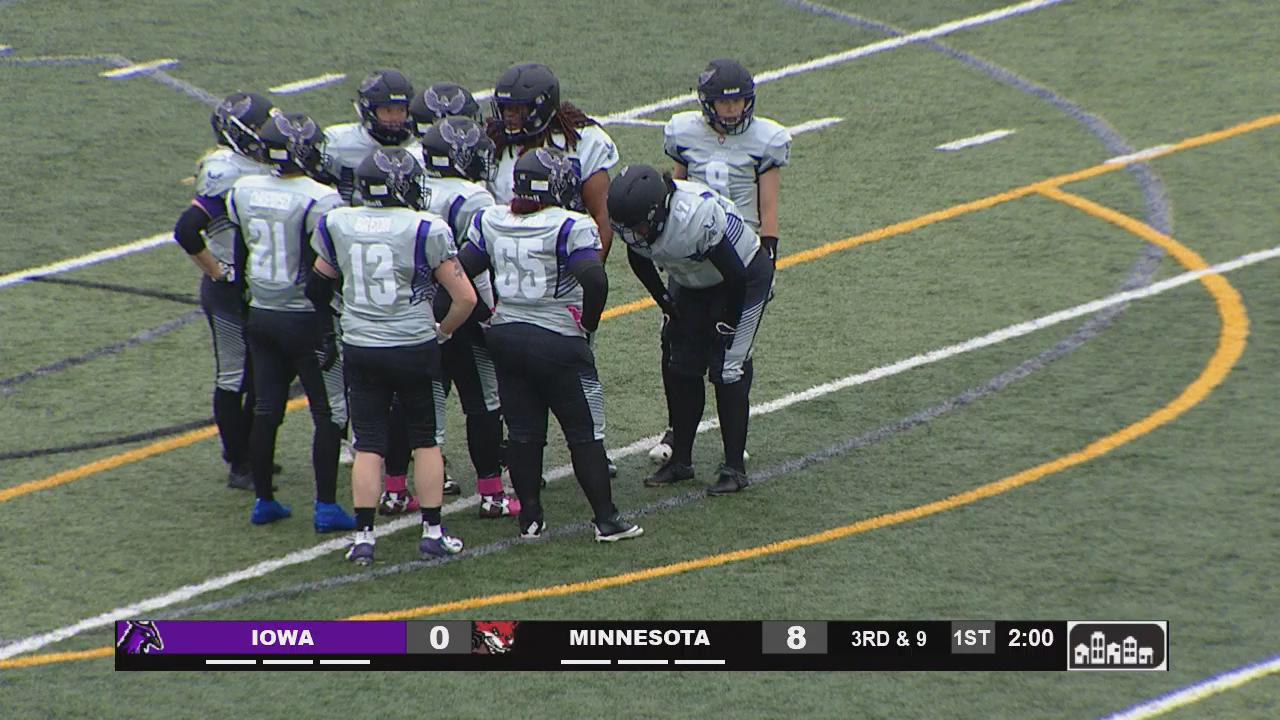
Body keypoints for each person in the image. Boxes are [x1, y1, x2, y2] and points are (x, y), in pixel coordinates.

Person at [457, 148, 642, 542]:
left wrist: (484, 316)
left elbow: (459, 271)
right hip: (557, 339)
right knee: (584, 432)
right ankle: (606, 520)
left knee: (524, 432)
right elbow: (594, 280)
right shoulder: (571, 225)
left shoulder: (490, 219)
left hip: (505, 337)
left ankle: (531, 520)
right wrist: (588, 325)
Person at [308, 147, 477, 564]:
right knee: (426, 441)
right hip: (413, 347)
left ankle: (364, 537)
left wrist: (347, 317)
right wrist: (442, 332)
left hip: (362, 346)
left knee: (367, 444)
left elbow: (316, 286)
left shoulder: (338, 222)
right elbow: (465, 297)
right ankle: (433, 532)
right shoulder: (424, 227)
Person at [649, 58, 789, 464]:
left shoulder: (766, 139)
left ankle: (732, 437)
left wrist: (770, 252)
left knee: (729, 352)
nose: (732, 111)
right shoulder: (684, 131)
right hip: (690, 251)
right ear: (707, 103)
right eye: (724, 104)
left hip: (737, 248)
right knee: (673, 344)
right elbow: (674, 188)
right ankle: (678, 430)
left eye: (739, 102)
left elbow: (769, 205)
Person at [487, 62, 623, 477]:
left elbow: (603, 218)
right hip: (514, 274)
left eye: (519, 111)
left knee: (574, 372)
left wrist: (583, 282)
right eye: (505, 111)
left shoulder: (585, 141)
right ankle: (522, 455)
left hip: (566, 276)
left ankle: (592, 448)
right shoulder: (494, 144)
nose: (509, 120)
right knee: (512, 377)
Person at [608, 164, 773, 495]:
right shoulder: (639, 225)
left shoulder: (695, 216)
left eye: (638, 225)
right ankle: (681, 460)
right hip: (691, 281)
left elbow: (736, 275)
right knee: (680, 365)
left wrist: (729, 318)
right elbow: (639, 261)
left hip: (742, 278)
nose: (632, 234)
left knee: (727, 367)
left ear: (657, 212)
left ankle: (734, 469)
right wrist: (668, 305)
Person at [226, 112, 355, 530]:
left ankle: (264, 500)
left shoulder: (243, 189)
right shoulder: (321, 198)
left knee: (266, 408)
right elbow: (325, 265)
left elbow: (241, 250)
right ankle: (326, 507)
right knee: (329, 413)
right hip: (305, 316)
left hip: (262, 312)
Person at [417, 116, 520, 519]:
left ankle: (410, 486)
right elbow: (479, 267)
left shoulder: (416, 184)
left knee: (428, 402)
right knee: (483, 403)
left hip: (418, 310)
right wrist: (491, 318)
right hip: (465, 307)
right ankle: (492, 493)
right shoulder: (474, 197)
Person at [172, 92, 274, 489]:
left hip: (258, 285)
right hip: (231, 292)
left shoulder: (258, 163)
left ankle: (250, 449)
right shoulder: (225, 171)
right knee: (235, 375)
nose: (271, 133)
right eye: (264, 126)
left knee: (261, 375)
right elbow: (186, 229)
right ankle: (238, 462)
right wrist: (218, 271)